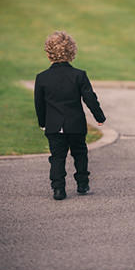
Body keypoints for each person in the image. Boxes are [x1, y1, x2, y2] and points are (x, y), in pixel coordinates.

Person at [34, 30, 106, 200]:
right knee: (80, 153)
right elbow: (90, 98)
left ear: (49, 52)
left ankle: (58, 189)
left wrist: (43, 122)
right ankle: (82, 184)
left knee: (57, 157)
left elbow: (39, 104)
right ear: (72, 51)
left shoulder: (42, 78)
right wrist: (99, 117)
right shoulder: (79, 75)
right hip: (76, 125)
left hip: (54, 126)